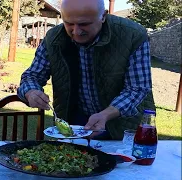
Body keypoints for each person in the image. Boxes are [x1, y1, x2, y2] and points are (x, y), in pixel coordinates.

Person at [17, 0, 155, 140]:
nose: (76, 31)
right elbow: (31, 76)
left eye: (84, 24)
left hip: (122, 123)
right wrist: (31, 92)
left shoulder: (133, 35)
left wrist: (105, 115)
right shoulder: (53, 39)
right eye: (69, 23)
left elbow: (138, 88)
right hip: (75, 121)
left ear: (103, 16)